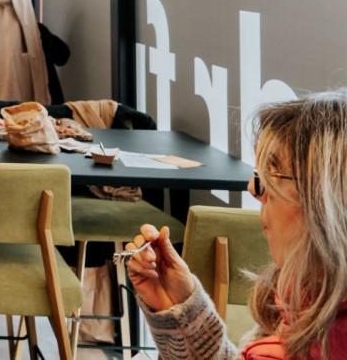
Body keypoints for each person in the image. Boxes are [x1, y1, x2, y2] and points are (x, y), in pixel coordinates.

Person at [126, 89, 347, 360]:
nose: (253, 190)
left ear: (325, 203)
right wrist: (183, 312)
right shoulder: (303, 302)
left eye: (271, 176)